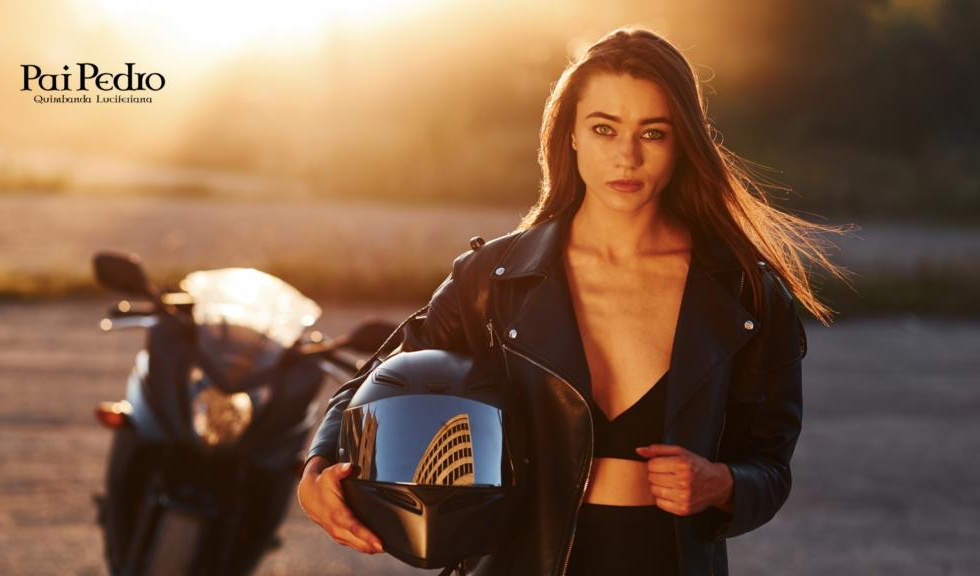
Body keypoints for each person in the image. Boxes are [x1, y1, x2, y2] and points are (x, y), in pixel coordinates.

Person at [298, 26, 844, 576]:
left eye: (652, 133)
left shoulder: (746, 292)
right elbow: (374, 379)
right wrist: (318, 466)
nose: (627, 156)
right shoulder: (493, 277)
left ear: (683, 142)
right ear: (573, 135)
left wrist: (722, 483)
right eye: (604, 129)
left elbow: (770, 465)